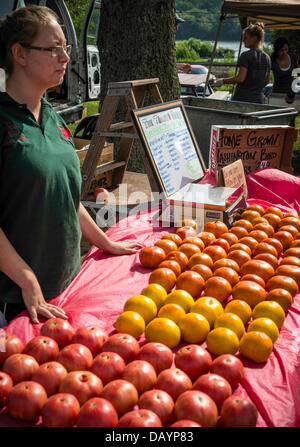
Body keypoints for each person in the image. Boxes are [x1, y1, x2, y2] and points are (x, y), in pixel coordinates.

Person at [0, 5, 142, 325]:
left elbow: (65, 195)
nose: (65, 58)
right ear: (19, 54)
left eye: (66, 48)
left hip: (61, 287)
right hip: (17, 300)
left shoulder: (50, 114)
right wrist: (27, 280)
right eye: (53, 49)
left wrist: (104, 242)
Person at [215, 22, 271, 104]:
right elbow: (266, 81)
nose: (243, 40)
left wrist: (222, 81)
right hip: (258, 100)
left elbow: (240, 78)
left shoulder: (246, 55)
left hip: (242, 99)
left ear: (254, 38)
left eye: (245, 38)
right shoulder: (267, 58)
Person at [271, 36, 299, 104]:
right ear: (276, 50)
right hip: (277, 95)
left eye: (286, 49)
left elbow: (297, 75)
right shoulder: (272, 60)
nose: (284, 52)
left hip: (292, 95)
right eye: (281, 50)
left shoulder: (293, 58)